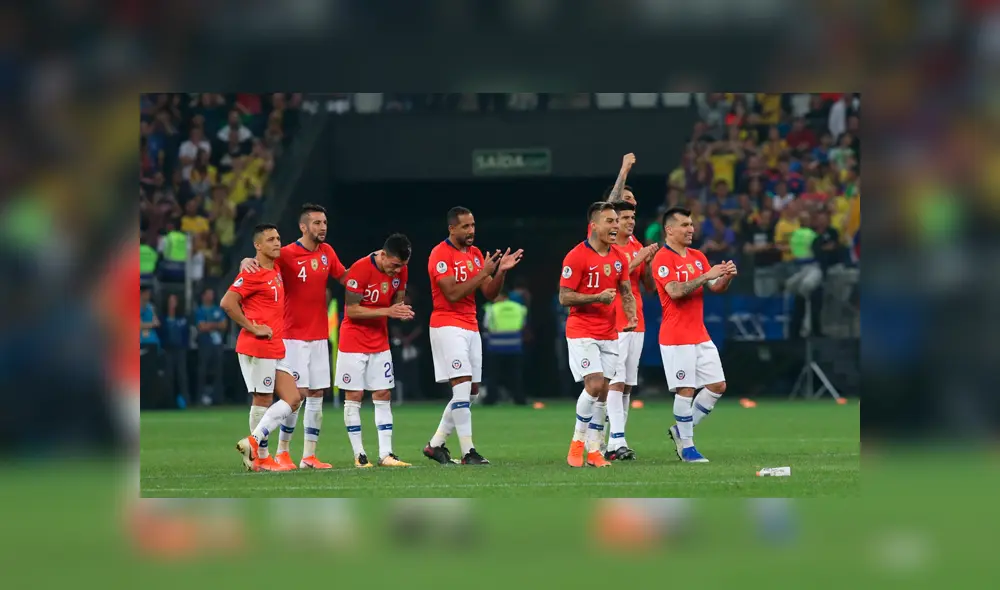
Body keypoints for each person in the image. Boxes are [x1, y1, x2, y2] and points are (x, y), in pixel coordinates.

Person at [240, 203, 347, 470]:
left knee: (317, 394)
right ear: (303, 226)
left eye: (324, 222)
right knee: (295, 396)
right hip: (292, 336)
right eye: (317, 223)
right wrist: (245, 260)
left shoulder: (327, 252)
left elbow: (344, 276)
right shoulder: (286, 254)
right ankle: (282, 452)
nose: (323, 227)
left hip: (320, 334)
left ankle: (309, 456)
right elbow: (259, 262)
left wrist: (372, 270)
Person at [422, 206, 523, 466]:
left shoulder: (476, 254)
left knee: (472, 393)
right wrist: (482, 272)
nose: (471, 231)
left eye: (473, 225)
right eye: (466, 226)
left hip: (470, 325)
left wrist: (500, 271)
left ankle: (435, 445)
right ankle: (469, 452)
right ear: (452, 228)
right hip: (447, 325)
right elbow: (452, 294)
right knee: (463, 387)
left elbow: (489, 292)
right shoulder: (440, 254)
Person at [650, 207, 737, 463]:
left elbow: (715, 287)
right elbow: (675, 291)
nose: (691, 229)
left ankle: (680, 430)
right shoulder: (663, 259)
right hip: (676, 336)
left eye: (691, 225)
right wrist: (706, 275)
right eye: (685, 225)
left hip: (699, 333)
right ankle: (687, 447)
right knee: (685, 390)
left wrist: (725, 277)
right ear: (669, 230)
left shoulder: (698, 256)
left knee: (717, 386)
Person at [559, 202, 637, 468]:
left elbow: (626, 291)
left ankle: (594, 451)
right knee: (593, 385)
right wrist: (597, 297)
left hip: (609, 332)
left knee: (604, 392)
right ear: (594, 226)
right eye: (610, 221)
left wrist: (632, 316)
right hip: (582, 331)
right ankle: (577, 443)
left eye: (617, 221)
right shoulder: (576, 256)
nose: (615, 226)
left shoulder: (618, 258)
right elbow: (564, 297)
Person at [336, 234, 416, 468]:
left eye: (401, 266)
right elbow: (351, 311)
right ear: (382, 255)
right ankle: (360, 455)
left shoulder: (402, 271)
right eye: (394, 265)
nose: (397, 271)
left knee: (383, 395)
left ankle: (386, 454)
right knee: (354, 396)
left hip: (379, 341)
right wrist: (388, 312)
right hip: (353, 341)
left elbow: (396, 303)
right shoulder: (360, 269)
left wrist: (401, 311)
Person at [225, 224, 299, 472]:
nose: (277, 243)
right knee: (263, 398)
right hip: (257, 345)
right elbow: (228, 302)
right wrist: (253, 327)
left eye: (278, 238)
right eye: (270, 239)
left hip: (275, 345)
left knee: (294, 398)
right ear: (258, 245)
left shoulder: (275, 268)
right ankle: (262, 458)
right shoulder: (253, 272)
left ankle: (253, 443)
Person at [603, 200, 658, 460]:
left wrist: (650, 262)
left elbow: (649, 286)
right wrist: (638, 259)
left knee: (626, 386)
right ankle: (616, 438)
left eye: (632, 216)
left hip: (637, 319)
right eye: (624, 217)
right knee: (615, 381)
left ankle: (615, 443)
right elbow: (613, 277)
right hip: (614, 319)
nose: (630, 221)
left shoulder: (637, 245)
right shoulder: (608, 248)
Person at [482, 289, 529, 406]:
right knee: (516, 375)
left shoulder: (491, 309)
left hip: (496, 348)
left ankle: (491, 399)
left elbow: (486, 326)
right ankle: (519, 399)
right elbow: (523, 325)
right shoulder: (519, 308)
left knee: (493, 376)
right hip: (515, 347)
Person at [195, 288, 227, 405]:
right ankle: (200, 397)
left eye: (212, 294)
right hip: (205, 344)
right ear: (203, 296)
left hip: (217, 344)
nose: (211, 297)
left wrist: (209, 325)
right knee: (202, 370)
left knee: (218, 371)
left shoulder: (217, 309)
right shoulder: (199, 310)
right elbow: (201, 327)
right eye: (208, 294)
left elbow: (224, 325)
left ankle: (218, 398)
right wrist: (216, 325)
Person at [160, 293, 190, 408]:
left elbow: (186, 334)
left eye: (174, 301)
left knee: (182, 375)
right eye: (170, 301)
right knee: (169, 376)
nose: (172, 304)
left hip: (180, 350)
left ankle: (185, 400)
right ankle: (169, 401)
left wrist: (185, 346)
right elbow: (161, 333)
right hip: (168, 350)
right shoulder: (163, 318)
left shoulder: (182, 318)